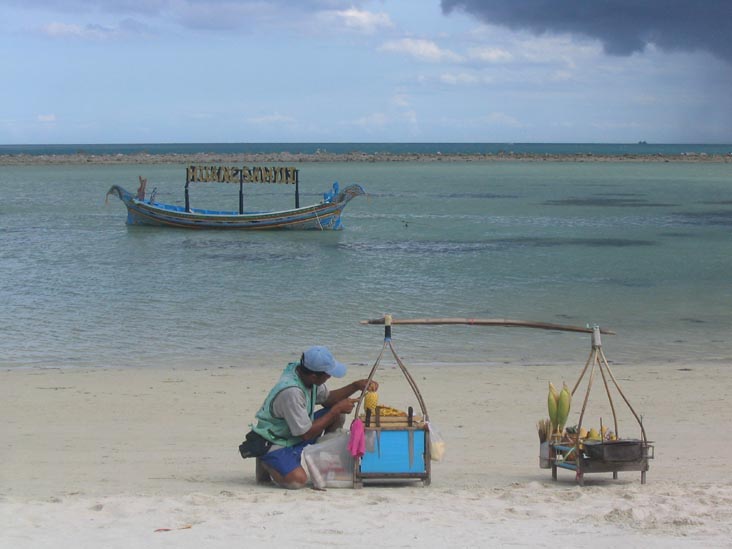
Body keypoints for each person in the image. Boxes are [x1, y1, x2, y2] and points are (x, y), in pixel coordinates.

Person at [244, 345, 378, 489]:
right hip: (275, 439)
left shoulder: (305, 374)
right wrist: (336, 410)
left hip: (294, 431)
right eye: (327, 374)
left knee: (338, 415)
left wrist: (355, 386)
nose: (329, 377)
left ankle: (323, 461)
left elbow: (327, 399)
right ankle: (266, 461)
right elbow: (306, 434)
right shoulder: (292, 392)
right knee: (297, 481)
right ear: (314, 376)